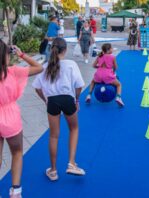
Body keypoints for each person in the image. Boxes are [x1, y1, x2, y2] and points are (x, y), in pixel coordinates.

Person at [32, 38, 86, 181]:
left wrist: (46, 100)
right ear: (65, 49)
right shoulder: (71, 64)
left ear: (52, 49)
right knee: (74, 129)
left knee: (54, 136)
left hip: (53, 102)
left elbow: (37, 87)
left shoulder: (45, 66)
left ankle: (53, 171)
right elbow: (79, 85)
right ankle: (71, 163)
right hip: (68, 99)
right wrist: (76, 99)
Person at [0, 39, 43, 198]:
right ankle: (15, 191)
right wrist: (21, 54)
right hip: (10, 117)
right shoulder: (12, 71)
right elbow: (39, 67)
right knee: (17, 152)